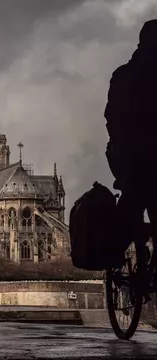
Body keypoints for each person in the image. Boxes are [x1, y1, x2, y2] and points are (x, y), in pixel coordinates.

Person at [105, 20, 157, 255]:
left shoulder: (123, 75)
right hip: (141, 158)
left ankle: (116, 253)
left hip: (127, 158)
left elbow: (110, 117)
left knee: (131, 202)